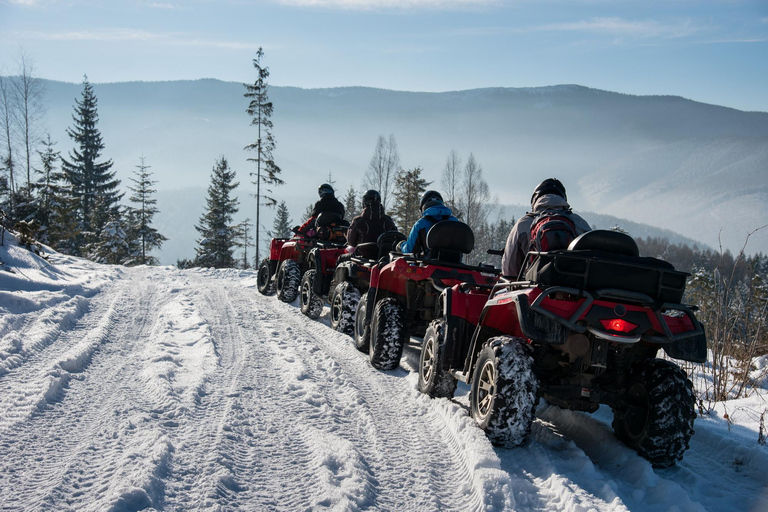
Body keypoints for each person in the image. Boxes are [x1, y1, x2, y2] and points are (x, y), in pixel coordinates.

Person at [501, 178, 591, 278]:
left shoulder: (524, 223)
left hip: (536, 285)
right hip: (574, 286)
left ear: (535, 200)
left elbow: (510, 267)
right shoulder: (579, 222)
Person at [398, 190, 457, 257]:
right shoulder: (455, 222)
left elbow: (409, 250)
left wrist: (401, 245)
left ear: (423, 207)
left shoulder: (421, 224)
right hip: (456, 264)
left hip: (431, 264)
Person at [346, 190, 397, 258]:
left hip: (363, 256)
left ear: (364, 202)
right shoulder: (388, 220)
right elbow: (396, 237)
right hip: (385, 257)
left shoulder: (358, 221)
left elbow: (351, 242)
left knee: (341, 259)